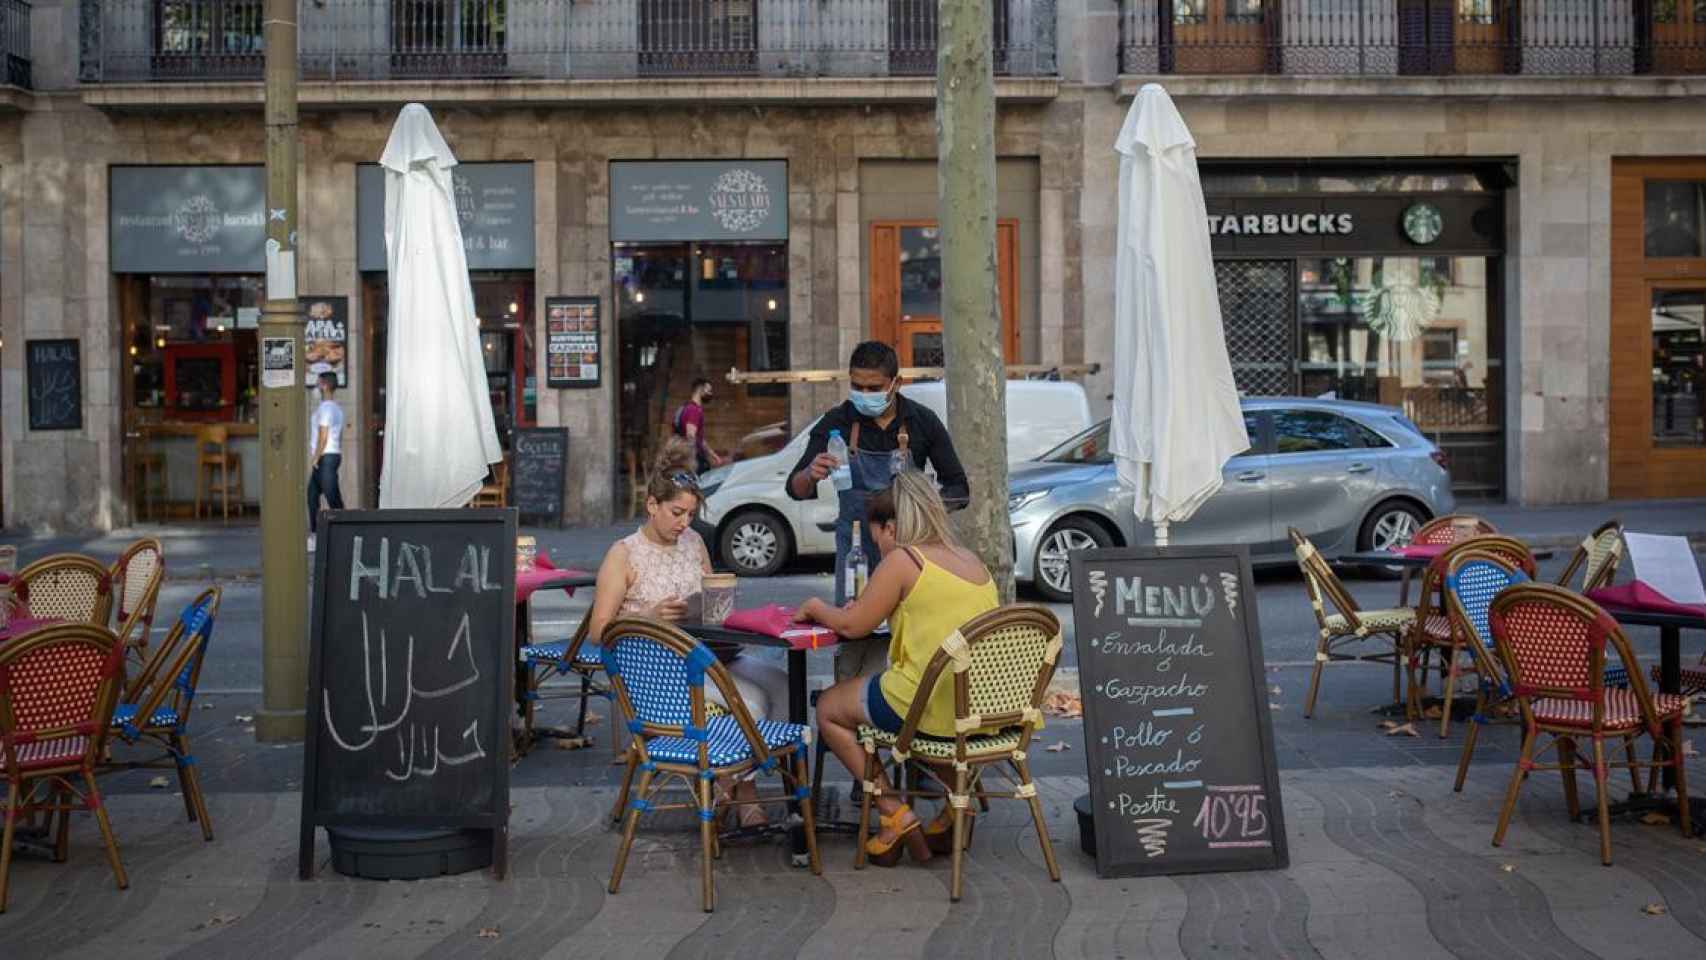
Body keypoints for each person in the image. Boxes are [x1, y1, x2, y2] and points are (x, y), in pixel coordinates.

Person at [797, 470, 999, 866]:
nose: (879, 547)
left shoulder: (904, 560)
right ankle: (958, 808)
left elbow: (855, 626)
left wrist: (817, 608)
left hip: (921, 703)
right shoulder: (972, 559)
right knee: (933, 711)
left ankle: (895, 811)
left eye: (877, 538)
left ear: (890, 526)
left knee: (829, 710)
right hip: (975, 705)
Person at [587, 439, 788, 828]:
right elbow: (598, 631)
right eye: (676, 513)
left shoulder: (693, 541)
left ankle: (737, 779)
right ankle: (744, 792)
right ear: (652, 506)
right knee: (754, 702)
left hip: (706, 652)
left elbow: (712, 599)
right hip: (656, 672)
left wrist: (714, 602)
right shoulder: (623, 554)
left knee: (781, 685)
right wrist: (649, 615)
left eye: (691, 514)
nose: (684, 523)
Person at [786, 340, 969, 681]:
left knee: (911, 637)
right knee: (854, 639)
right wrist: (810, 473)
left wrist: (921, 509)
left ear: (895, 384)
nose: (863, 394)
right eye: (857, 386)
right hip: (856, 553)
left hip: (912, 556)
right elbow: (795, 489)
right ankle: (853, 706)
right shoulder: (837, 422)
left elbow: (959, 489)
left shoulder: (921, 422)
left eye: (874, 388)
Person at [306, 371, 345, 552]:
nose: (316, 386)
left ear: (325, 385)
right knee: (312, 496)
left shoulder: (327, 409)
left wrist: (316, 457)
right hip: (330, 455)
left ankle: (346, 532)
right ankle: (314, 534)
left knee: (332, 498)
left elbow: (323, 435)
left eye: (318, 383)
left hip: (326, 457)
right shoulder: (336, 408)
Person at [672, 378, 724, 475]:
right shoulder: (694, 410)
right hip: (693, 459)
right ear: (700, 389)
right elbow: (690, 436)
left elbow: (699, 439)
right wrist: (693, 462)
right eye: (708, 390)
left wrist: (713, 455)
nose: (710, 394)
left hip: (682, 457)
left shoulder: (684, 408)